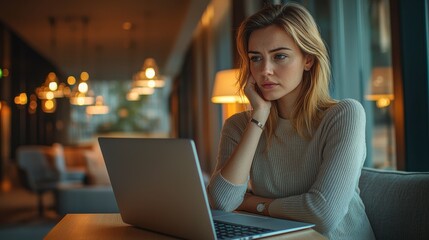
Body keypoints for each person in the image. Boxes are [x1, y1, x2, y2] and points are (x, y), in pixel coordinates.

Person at [207, 3, 375, 239]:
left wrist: (255, 204)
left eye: (280, 56)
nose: (265, 70)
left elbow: (323, 215)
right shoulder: (239, 125)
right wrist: (258, 118)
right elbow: (222, 202)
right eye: (256, 58)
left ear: (308, 60)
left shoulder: (344, 115)